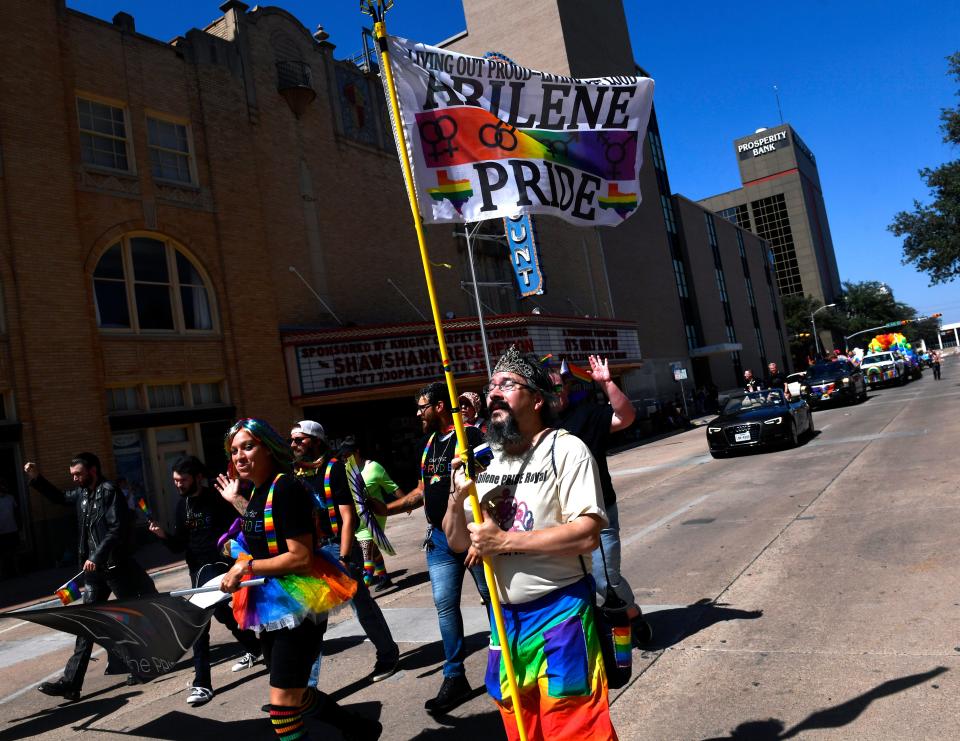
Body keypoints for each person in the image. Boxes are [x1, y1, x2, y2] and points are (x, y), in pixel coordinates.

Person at [444, 345, 616, 740]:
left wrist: (504, 540)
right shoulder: (488, 459)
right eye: (490, 388)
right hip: (503, 624)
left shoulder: (565, 449)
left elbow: (589, 532)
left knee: (576, 729)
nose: (493, 394)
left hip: (561, 615)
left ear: (538, 399)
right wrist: (457, 495)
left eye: (507, 384)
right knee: (521, 729)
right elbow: (456, 542)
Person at [217, 418, 378, 741]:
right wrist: (236, 552)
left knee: (282, 710)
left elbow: (301, 558)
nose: (239, 456)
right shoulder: (259, 491)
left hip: (297, 604)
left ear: (268, 447)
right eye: (234, 451)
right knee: (298, 695)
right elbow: (263, 535)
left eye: (248, 447)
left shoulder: (286, 488)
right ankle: (359, 729)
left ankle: (358, 729)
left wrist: (245, 568)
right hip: (269, 604)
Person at [25, 453, 157, 702]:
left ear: (93, 470)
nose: (75, 479)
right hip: (93, 572)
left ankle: (142, 664)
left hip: (116, 567)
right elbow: (60, 498)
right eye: (73, 475)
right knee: (86, 624)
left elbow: (117, 528)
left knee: (129, 618)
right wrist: (37, 478)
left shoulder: (110, 491)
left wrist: (96, 556)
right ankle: (71, 684)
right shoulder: (82, 494)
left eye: (79, 474)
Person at [402, 381, 490, 714]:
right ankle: (455, 676)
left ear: (440, 406)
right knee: (444, 605)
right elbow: (423, 490)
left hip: (471, 535)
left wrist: (483, 532)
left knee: (491, 601)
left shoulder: (470, 438)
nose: (418, 413)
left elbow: (491, 480)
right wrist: (387, 507)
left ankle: (504, 664)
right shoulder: (429, 445)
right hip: (438, 541)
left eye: (422, 406)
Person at [289, 421, 400, 686]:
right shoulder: (295, 473)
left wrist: (344, 556)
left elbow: (347, 517)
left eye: (299, 440)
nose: (293, 445)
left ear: (316, 441)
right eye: (291, 440)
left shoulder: (334, 469)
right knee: (312, 618)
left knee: (362, 606)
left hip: (338, 548)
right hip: (312, 551)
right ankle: (307, 686)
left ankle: (388, 654)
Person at [148, 455, 262, 706]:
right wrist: (163, 535)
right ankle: (254, 647)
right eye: (175, 481)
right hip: (198, 571)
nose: (178, 485)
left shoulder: (216, 498)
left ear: (198, 478)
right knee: (221, 613)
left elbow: (246, 522)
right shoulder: (182, 506)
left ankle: (202, 683)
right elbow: (179, 545)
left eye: (182, 480)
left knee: (198, 621)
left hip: (222, 565)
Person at [550, 356, 645, 644]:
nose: (554, 394)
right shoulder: (536, 427)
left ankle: (632, 614)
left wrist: (606, 383)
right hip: (560, 519)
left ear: (567, 388)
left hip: (598, 511)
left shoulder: (587, 414)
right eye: (547, 389)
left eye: (558, 387)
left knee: (605, 578)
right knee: (573, 585)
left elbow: (625, 417)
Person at [341, 438, 399, 591]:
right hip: (357, 517)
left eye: (348, 454)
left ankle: (362, 587)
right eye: (343, 455)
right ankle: (384, 577)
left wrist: (407, 502)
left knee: (366, 548)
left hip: (375, 515)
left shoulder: (374, 467)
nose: (345, 458)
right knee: (373, 548)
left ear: (357, 452)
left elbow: (392, 487)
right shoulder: (346, 471)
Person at [0, 482, 21, 579]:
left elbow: (16, 511)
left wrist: (19, 525)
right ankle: (5, 574)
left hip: (13, 529)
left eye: (3, 486)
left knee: (14, 552)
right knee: (3, 554)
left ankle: (17, 572)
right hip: (2, 531)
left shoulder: (10, 498)